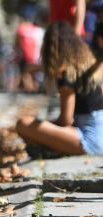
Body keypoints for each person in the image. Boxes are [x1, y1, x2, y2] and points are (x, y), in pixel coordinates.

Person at [16, 21, 103, 155]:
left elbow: (66, 121)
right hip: (98, 133)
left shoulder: (66, 73)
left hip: (90, 141)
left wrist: (47, 125)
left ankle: (50, 150)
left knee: (24, 124)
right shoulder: (86, 66)